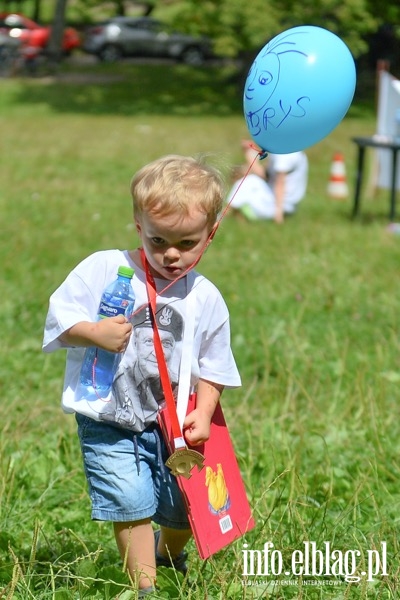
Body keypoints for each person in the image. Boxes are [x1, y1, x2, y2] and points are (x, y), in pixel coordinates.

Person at [42, 155, 241, 597]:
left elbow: (215, 365)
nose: (171, 254)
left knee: (180, 508)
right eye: (158, 240)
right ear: (138, 227)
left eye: (187, 243)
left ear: (210, 235)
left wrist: (205, 413)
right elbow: (61, 318)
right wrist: (93, 331)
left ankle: (170, 554)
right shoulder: (105, 268)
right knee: (130, 503)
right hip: (108, 418)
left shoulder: (205, 298)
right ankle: (145, 587)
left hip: (172, 427)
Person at [227, 140, 308, 223]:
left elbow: (280, 183)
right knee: (250, 181)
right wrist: (251, 152)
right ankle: (234, 212)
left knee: (248, 182)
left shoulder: (284, 156)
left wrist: (278, 215)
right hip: (281, 201)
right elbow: (266, 175)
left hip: (280, 204)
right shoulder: (288, 148)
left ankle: (225, 214)